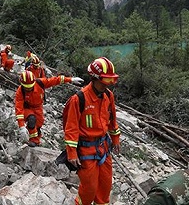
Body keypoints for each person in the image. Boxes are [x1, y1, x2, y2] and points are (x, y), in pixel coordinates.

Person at [63, 57, 121, 205]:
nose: (109, 85)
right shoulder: (79, 99)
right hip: (86, 151)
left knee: (105, 186)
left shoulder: (108, 96)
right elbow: (71, 127)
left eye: (111, 81)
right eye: (106, 81)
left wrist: (115, 138)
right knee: (89, 189)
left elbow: (112, 119)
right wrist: (71, 152)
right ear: (94, 78)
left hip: (103, 147)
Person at [15, 70, 83, 147]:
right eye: (26, 88)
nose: (28, 89)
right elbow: (19, 108)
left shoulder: (40, 83)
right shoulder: (20, 92)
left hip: (38, 107)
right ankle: (33, 140)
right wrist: (21, 126)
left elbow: (55, 80)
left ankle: (36, 141)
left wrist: (71, 79)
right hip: (27, 108)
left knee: (38, 125)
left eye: (30, 87)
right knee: (31, 119)